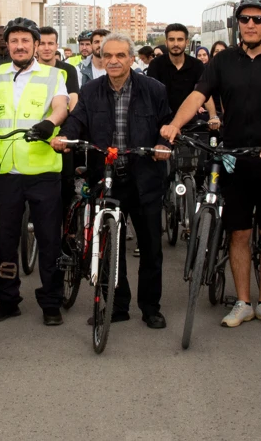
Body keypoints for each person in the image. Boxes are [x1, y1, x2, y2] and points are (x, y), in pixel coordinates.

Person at [160, 0, 261, 328]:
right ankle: (242, 301)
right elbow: (197, 96)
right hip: (234, 159)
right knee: (238, 234)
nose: (250, 25)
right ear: (237, 23)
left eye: (257, 19)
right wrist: (174, 125)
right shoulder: (221, 63)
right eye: (244, 19)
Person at [53, 34, 173, 328]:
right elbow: (77, 119)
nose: (114, 61)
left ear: (132, 59)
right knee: (108, 248)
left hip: (145, 178)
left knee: (151, 248)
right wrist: (66, 138)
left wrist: (161, 144)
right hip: (106, 178)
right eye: (108, 56)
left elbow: (166, 123)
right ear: (101, 59)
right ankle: (116, 306)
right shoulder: (92, 90)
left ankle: (150, 307)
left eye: (121, 55)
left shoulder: (154, 89)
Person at [0, 17, 70, 326]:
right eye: (14, 41)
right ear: (7, 45)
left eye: (25, 41)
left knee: (48, 240)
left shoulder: (53, 74)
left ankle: (51, 303)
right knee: (6, 239)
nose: (19, 46)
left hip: (42, 170)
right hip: (5, 170)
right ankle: (8, 300)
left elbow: (61, 106)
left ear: (35, 45)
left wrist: (50, 123)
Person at [37, 26, 81, 211]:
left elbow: (74, 101)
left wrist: (68, 132)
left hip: (62, 134)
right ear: (36, 46)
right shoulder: (29, 70)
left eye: (51, 43)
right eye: (42, 43)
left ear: (57, 46)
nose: (46, 48)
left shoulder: (68, 70)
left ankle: (67, 233)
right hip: (35, 134)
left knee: (66, 184)